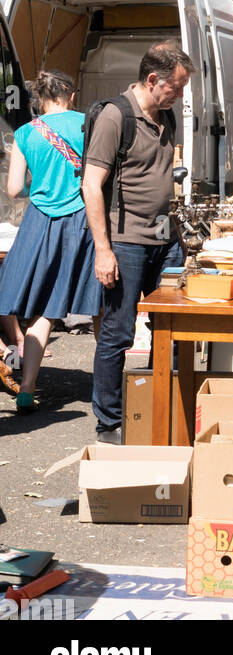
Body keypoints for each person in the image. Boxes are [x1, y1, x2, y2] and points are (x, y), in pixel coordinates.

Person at [83, 42, 194, 443]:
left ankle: (159, 406)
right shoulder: (116, 117)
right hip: (126, 244)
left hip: (167, 242)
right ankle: (110, 422)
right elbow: (91, 186)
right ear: (152, 80)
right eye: (176, 87)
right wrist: (103, 249)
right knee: (118, 332)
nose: (180, 95)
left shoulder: (166, 117)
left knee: (174, 327)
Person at [0, 70, 101, 412]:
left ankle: (27, 388)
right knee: (99, 305)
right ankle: (109, 386)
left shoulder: (26, 133)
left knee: (43, 311)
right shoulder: (89, 123)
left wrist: (38, 188)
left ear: (40, 99)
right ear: (71, 94)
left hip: (41, 223)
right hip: (85, 219)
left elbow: (13, 190)